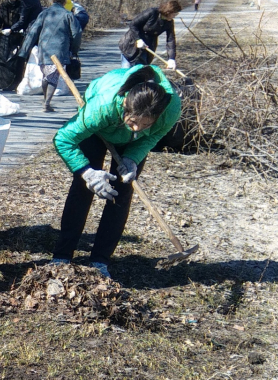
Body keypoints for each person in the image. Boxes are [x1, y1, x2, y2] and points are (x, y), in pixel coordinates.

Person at [50, 65, 182, 276]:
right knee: (83, 188)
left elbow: (154, 135)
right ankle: (62, 256)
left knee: (122, 191)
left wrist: (133, 158)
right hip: (99, 127)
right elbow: (63, 139)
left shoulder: (170, 109)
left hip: (131, 143)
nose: (138, 128)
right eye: (134, 122)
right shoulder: (103, 106)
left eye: (146, 123)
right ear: (124, 106)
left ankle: (100, 261)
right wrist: (87, 172)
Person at [19, 0, 83, 113]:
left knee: (46, 76)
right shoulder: (68, 14)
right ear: (64, 2)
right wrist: (74, 49)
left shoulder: (44, 14)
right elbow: (77, 32)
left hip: (44, 49)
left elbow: (33, 32)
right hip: (60, 49)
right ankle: (47, 102)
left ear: (52, 1)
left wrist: (24, 50)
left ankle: (46, 101)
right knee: (53, 77)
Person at [119, 0, 181, 70]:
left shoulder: (169, 23)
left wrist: (171, 59)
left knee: (140, 72)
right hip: (131, 44)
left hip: (147, 48)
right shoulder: (152, 12)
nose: (175, 16)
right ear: (168, 11)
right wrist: (138, 39)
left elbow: (171, 40)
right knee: (126, 69)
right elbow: (133, 24)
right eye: (175, 13)